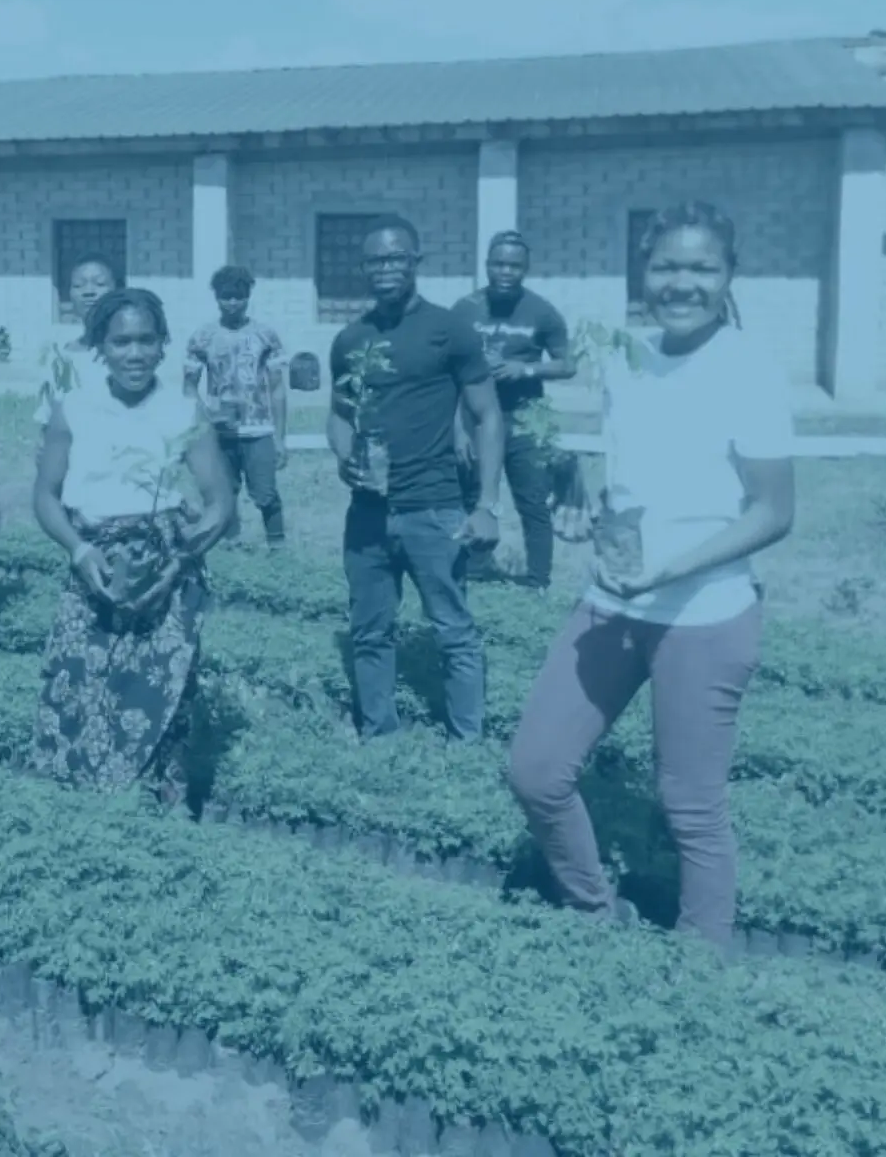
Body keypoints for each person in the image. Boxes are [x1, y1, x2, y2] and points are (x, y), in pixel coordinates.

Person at [506, 201, 796, 950]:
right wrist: (587, 513)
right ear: (644, 272)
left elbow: (772, 512)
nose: (682, 283)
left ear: (730, 274)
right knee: (537, 771)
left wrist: (672, 567)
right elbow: (633, 488)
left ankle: (702, 970)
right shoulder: (626, 361)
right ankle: (593, 914)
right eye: (667, 265)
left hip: (706, 613)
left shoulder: (751, 371)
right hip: (614, 603)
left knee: (688, 805)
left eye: (702, 268)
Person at [29, 287, 233, 804]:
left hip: (166, 576)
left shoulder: (185, 412)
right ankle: (81, 810)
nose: (135, 353)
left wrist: (179, 562)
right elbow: (46, 498)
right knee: (76, 690)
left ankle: (160, 814)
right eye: (122, 342)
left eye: (146, 340)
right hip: (93, 570)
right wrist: (79, 551)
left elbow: (221, 505)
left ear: (164, 344)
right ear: (101, 345)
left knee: (161, 700)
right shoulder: (72, 409)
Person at [328, 217, 506, 741]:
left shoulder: (448, 330)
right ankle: (380, 738)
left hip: (434, 506)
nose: (385, 269)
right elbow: (339, 414)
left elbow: (488, 415)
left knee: (453, 631)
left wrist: (488, 504)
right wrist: (344, 458)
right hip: (367, 512)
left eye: (396, 258)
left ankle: (466, 742)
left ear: (415, 261)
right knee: (369, 632)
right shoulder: (350, 340)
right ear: (363, 268)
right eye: (375, 260)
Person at [450, 232, 577, 590]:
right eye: (498, 264)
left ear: (526, 269)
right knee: (471, 497)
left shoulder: (541, 311)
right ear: (487, 265)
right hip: (476, 420)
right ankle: (473, 571)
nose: (505, 271)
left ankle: (537, 582)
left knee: (532, 501)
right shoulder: (465, 309)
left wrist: (527, 369)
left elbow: (568, 364)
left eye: (514, 265)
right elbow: (449, 373)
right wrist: (458, 428)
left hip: (524, 419)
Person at [182, 265, 289, 549]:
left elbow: (277, 388)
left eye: (238, 297)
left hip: (259, 429)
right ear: (216, 298)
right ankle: (232, 547)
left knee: (265, 493)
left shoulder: (266, 335)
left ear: (248, 297)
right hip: (220, 432)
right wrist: (206, 418)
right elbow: (189, 388)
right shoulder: (203, 337)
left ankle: (278, 549)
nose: (232, 303)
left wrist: (279, 437)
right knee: (224, 492)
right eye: (226, 297)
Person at [34, 255, 121, 426]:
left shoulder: (132, 352)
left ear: (117, 290)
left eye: (100, 284)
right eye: (79, 285)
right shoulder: (59, 358)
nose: (89, 291)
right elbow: (48, 421)